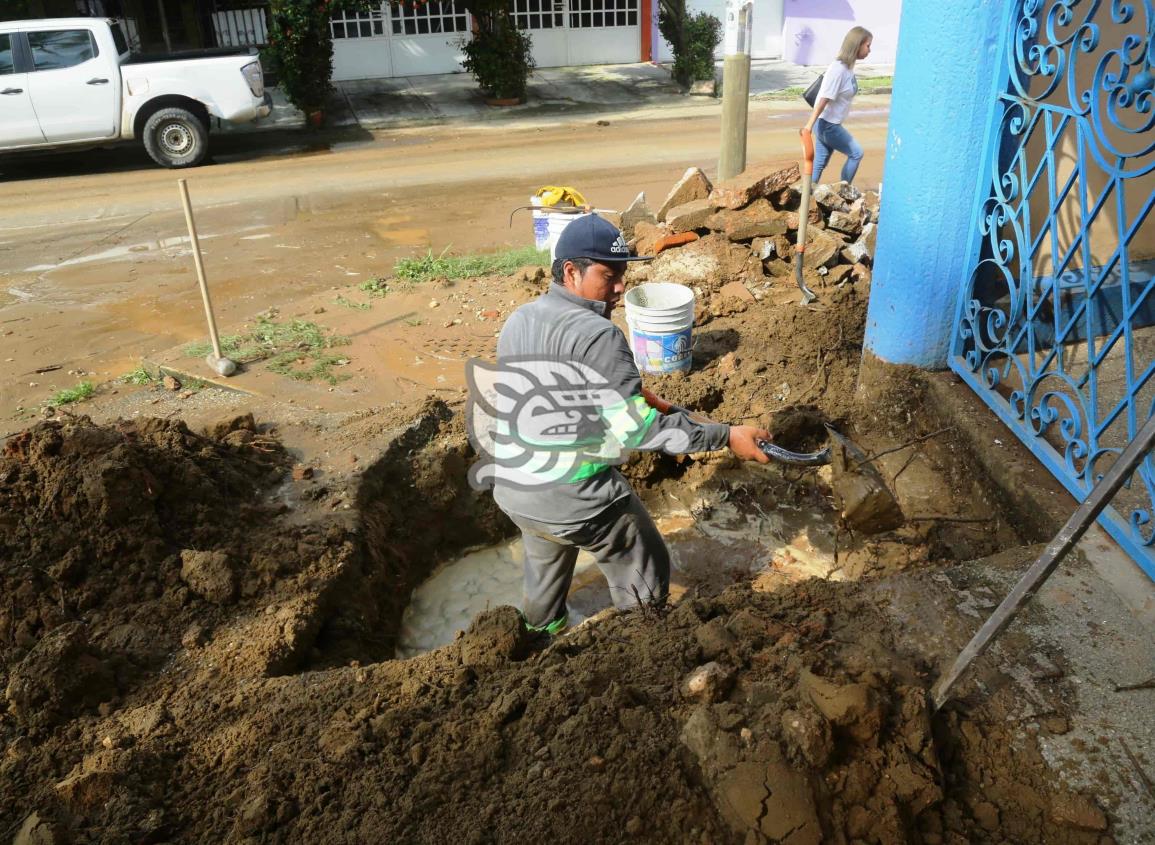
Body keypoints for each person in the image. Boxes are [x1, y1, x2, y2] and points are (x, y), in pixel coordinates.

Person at [468, 214, 772, 636]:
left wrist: (631, 399)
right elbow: (638, 431)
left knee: (545, 574)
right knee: (644, 561)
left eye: (622, 276)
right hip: (578, 500)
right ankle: (637, 644)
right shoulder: (599, 335)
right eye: (609, 276)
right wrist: (727, 435)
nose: (618, 289)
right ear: (571, 271)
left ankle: (539, 641)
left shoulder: (520, 319)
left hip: (517, 490)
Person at [803, 26, 873, 185]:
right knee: (856, 153)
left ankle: (807, 197)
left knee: (819, 163)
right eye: (868, 45)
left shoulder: (848, 68)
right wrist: (809, 125)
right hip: (827, 125)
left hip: (827, 123)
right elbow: (824, 98)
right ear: (857, 44)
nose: (870, 50)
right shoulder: (839, 69)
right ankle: (844, 191)